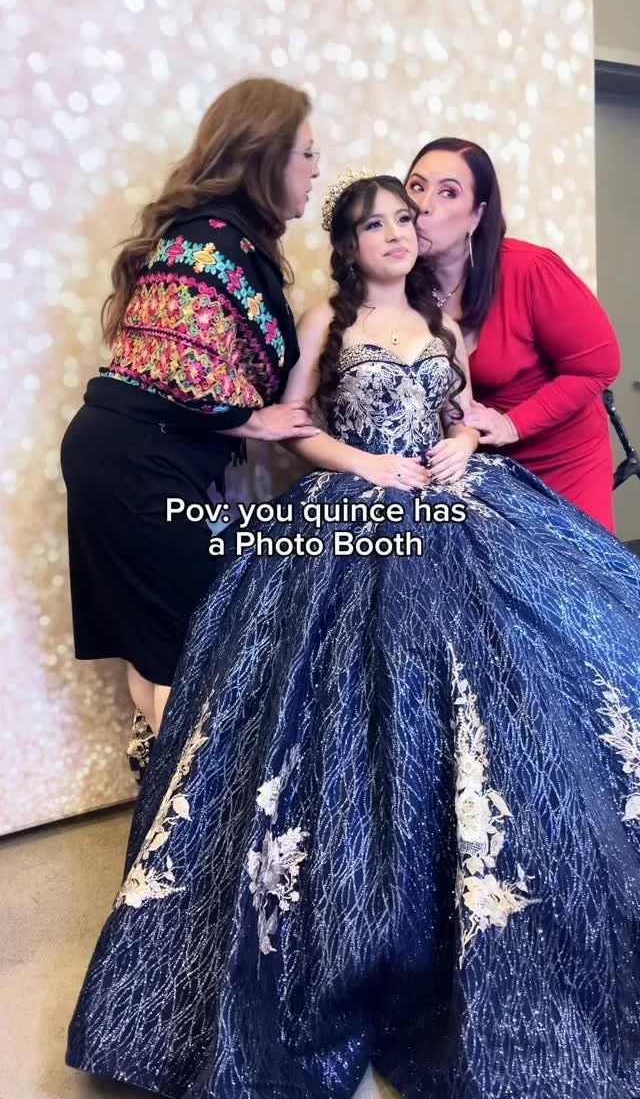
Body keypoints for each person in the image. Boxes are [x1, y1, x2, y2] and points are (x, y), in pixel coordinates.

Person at [66, 174, 640, 1099]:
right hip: (354, 511)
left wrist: (462, 446)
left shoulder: (443, 321)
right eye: (377, 224)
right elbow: (295, 428)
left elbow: (459, 414)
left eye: (406, 219)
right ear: (350, 243)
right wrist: (367, 464)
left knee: (525, 662)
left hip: (456, 504)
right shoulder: (327, 320)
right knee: (337, 690)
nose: (398, 234)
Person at [60, 77, 321, 747]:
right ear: (267, 156)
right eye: (307, 154)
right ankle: (190, 802)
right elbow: (184, 366)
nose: (316, 170)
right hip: (136, 463)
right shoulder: (213, 239)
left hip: (121, 454)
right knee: (194, 649)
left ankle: (167, 797)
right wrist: (257, 421)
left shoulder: (220, 237)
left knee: (157, 646)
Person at [405, 136, 621, 532]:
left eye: (448, 192)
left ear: (477, 215)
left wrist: (512, 424)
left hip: (563, 462)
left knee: (571, 568)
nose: (423, 205)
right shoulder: (397, 286)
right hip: (480, 465)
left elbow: (599, 366)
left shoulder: (531, 270)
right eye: (416, 186)